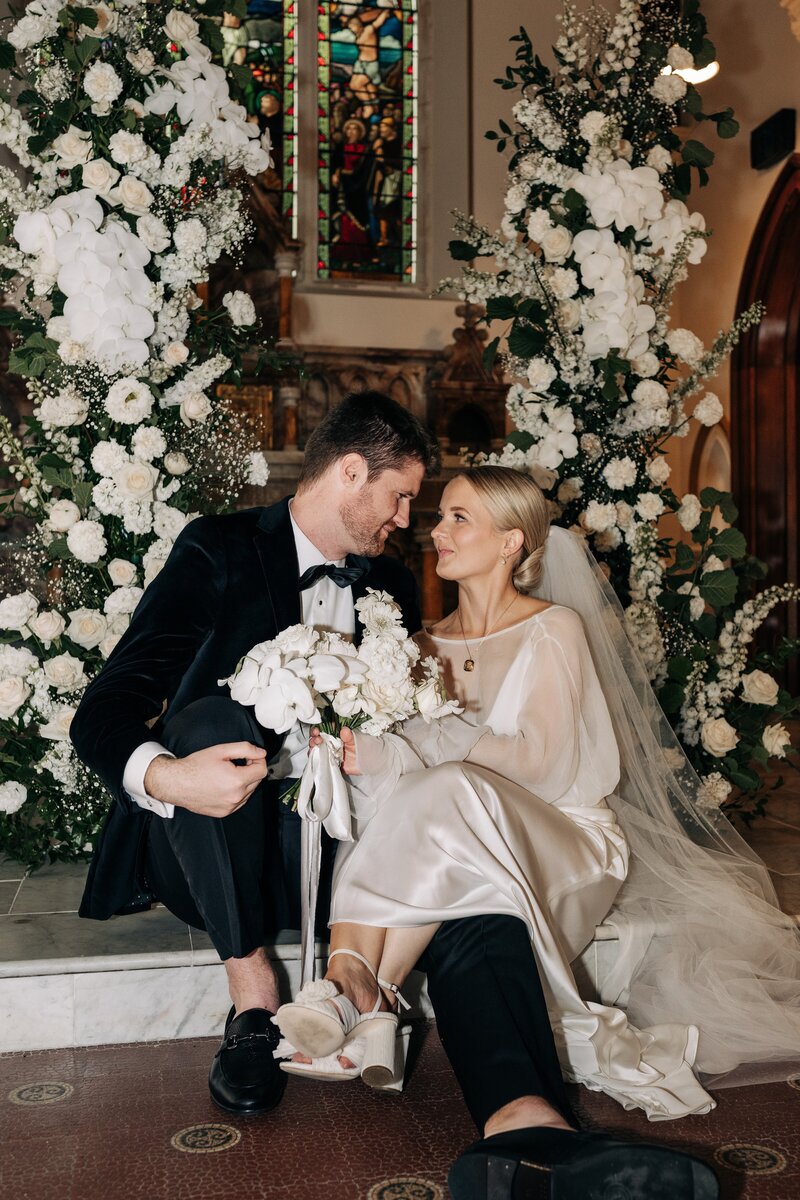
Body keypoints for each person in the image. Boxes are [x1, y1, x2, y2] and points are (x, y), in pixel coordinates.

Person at [277, 465, 800, 1200]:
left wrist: (421, 745)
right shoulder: (418, 646)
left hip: (565, 843)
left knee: (449, 785)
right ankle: (518, 1121)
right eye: (441, 517)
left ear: (511, 540)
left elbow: (543, 765)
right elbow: (399, 798)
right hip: (460, 850)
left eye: (460, 518)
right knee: (466, 907)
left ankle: (362, 982)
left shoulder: (554, 626)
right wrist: (363, 753)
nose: (437, 532)